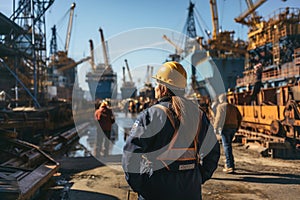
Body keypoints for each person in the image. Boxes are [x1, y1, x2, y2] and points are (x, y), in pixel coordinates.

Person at [122, 61, 220, 200]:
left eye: (157, 84)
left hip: (156, 190)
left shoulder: (150, 115)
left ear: (163, 87)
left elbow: (130, 156)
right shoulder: (198, 115)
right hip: (190, 190)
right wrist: (198, 177)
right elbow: (212, 151)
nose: (155, 88)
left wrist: (141, 185)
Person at [214, 93, 242, 174]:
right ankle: (229, 163)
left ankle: (229, 166)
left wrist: (215, 128)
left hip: (225, 128)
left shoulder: (221, 107)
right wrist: (237, 127)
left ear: (221, 99)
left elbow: (218, 118)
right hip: (233, 127)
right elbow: (240, 117)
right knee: (228, 145)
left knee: (226, 146)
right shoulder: (233, 107)